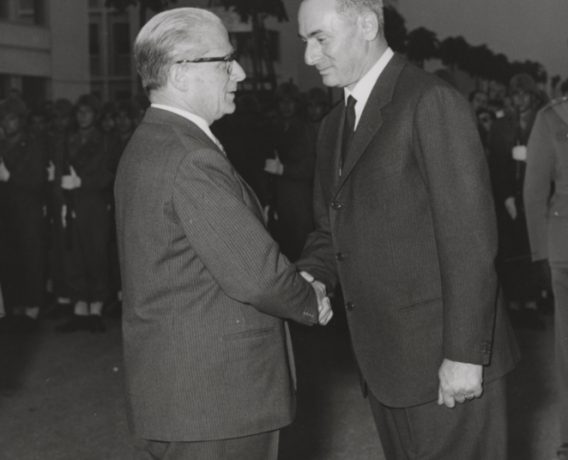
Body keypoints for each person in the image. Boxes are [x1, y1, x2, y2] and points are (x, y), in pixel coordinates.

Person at [296, 0, 520, 458]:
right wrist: (312, 277)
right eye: (305, 42)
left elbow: (470, 240)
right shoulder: (333, 125)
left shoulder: (430, 101)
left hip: (447, 362)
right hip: (386, 366)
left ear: (367, 24)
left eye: (320, 39)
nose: (309, 56)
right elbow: (329, 228)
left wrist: (464, 355)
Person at [113, 8, 332, 460]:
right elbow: (257, 277)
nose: (241, 73)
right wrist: (310, 299)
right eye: (225, 61)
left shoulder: (151, 142)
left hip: (183, 396)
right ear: (180, 72)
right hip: (217, 402)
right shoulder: (190, 157)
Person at [524, 94, 568, 460]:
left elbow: (535, 192)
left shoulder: (552, 116)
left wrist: (540, 254)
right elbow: (534, 193)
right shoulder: (551, 116)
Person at [489, 73, 549, 328]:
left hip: (536, 198)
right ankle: (514, 304)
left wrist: (530, 157)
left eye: (525, 94)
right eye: (516, 94)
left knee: (533, 253)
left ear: (533, 97)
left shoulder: (542, 123)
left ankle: (532, 304)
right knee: (511, 252)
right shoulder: (500, 126)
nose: (521, 99)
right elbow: (496, 165)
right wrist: (506, 198)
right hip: (508, 198)